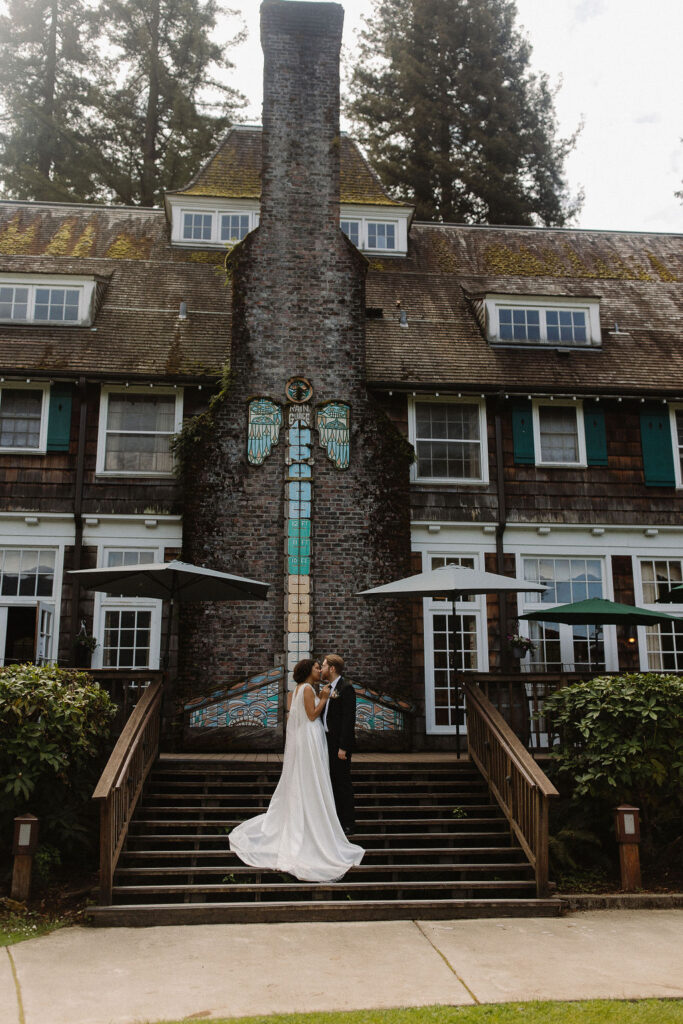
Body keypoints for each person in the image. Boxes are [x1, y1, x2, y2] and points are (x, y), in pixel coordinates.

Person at [228, 658, 364, 882]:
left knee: (323, 780)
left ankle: (338, 819)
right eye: (316, 666)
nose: (319, 669)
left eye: (321, 666)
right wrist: (324, 698)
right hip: (311, 737)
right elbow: (312, 715)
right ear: (308, 671)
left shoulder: (308, 688)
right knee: (314, 779)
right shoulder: (310, 689)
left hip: (316, 738)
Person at [321, 653, 356, 835]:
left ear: (332, 669)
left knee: (342, 783)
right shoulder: (327, 688)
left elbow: (348, 720)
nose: (322, 669)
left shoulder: (346, 688)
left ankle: (348, 823)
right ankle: (334, 822)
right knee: (331, 782)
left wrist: (344, 747)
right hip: (327, 742)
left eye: (324, 665)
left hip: (339, 745)